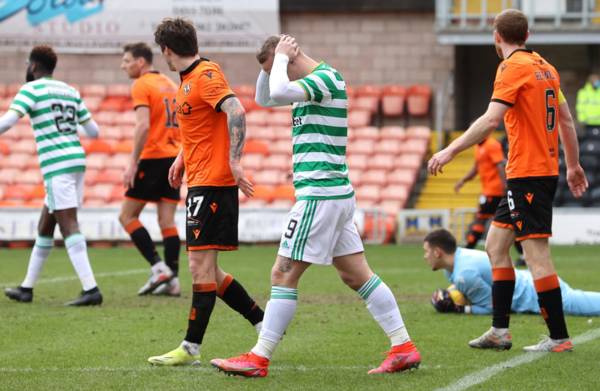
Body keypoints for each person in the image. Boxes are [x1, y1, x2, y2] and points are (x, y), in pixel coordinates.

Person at [210, 35, 421, 377]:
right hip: (332, 194)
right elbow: (265, 97)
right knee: (355, 274)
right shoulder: (308, 83)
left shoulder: (324, 78)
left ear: (290, 61)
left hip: (320, 195)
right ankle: (403, 347)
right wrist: (273, 62)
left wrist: (279, 59)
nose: (277, 74)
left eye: (278, 67)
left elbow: (277, 92)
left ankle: (259, 357)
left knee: (282, 273)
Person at [428, 9, 588, 352]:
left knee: (537, 256)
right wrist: (573, 165)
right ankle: (500, 331)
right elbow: (567, 121)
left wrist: (449, 151)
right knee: (495, 247)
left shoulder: (511, 68)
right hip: (533, 172)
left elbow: (490, 121)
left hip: (528, 174)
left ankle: (559, 337)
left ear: (497, 37)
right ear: (527, 35)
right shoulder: (546, 67)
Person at [146, 18, 265, 366]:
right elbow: (199, 125)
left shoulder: (206, 75)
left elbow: (235, 110)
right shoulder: (185, 84)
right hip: (199, 179)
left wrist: (235, 161)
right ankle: (263, 322)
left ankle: (191, 348)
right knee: (210, 272)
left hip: (213, 183)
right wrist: (181, 158)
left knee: (199, 267)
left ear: (167, 50)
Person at [1, 45, 103, 306]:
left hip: (57, 165)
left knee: (68, 223)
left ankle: (91, 289)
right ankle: (27, 288)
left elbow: (9, 121)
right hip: (77, 161)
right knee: (46, 225)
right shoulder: (69, 90)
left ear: (33, 66)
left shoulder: (31, 89)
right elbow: (93, 131)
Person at [118, 42, 181, 296]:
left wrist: (133, 162)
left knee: (126, 216)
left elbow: (143, 126)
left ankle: (158, 268)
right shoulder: (170, 84)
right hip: (174, 156)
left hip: (154, 156)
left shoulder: (142, 85)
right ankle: (173, 280)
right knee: (166, 220)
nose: (123, 66)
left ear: (140, 62)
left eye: (126, 61)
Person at [424, 229, 600, 316]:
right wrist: (447, 295)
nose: (425, 257)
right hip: (529, 281)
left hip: (533, 294)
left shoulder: (464, 273)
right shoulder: (459, 261)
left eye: (427, 251)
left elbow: (494, 307)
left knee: (573, 303)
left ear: (438, 252)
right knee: (576, 298)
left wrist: (460, 309)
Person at [454, 136, 525, 265]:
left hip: (495, 191)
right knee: (509, 222)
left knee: (480, 220)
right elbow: (475, 168)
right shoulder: (478, 146)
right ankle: (523, 255)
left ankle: (466, 252)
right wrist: (462, 181)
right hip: (489, 192)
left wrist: (505, 186)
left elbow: (500, 165)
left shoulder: (492, 145)